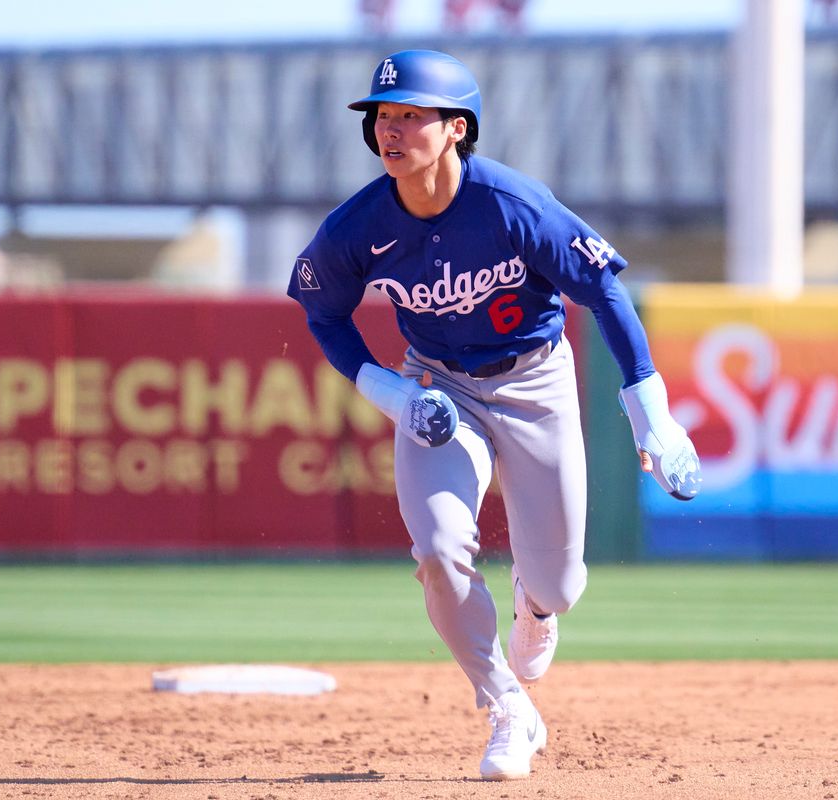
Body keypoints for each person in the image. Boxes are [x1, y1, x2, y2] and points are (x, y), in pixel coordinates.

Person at [287, 49, 701, 780]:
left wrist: (652, 415)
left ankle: (534, 607)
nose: (392, 128)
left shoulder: (513, 204)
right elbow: (323, 312)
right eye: (384, 115)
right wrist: (391, 392)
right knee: (439, 551)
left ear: (456, 128)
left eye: (412, 115)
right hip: (438, 390)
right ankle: (508, 707)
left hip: (536, 382)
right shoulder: (359, 226)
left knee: (561, 586)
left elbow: (602, 290)